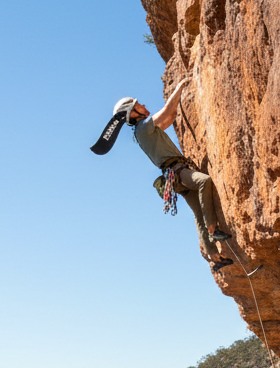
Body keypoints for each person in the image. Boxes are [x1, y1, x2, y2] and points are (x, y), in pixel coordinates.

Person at [91, 78, 232, 271]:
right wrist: (181, 85)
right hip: (178, 172)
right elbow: (168, 111)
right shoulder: (142, 127)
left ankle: (215, 257)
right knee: (204, 181)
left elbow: (169, 117)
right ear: (132, 113)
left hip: (174, 178)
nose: (143, 105)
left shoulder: (143, 132)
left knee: (198, 212)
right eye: (138, 105)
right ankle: (213, 230)